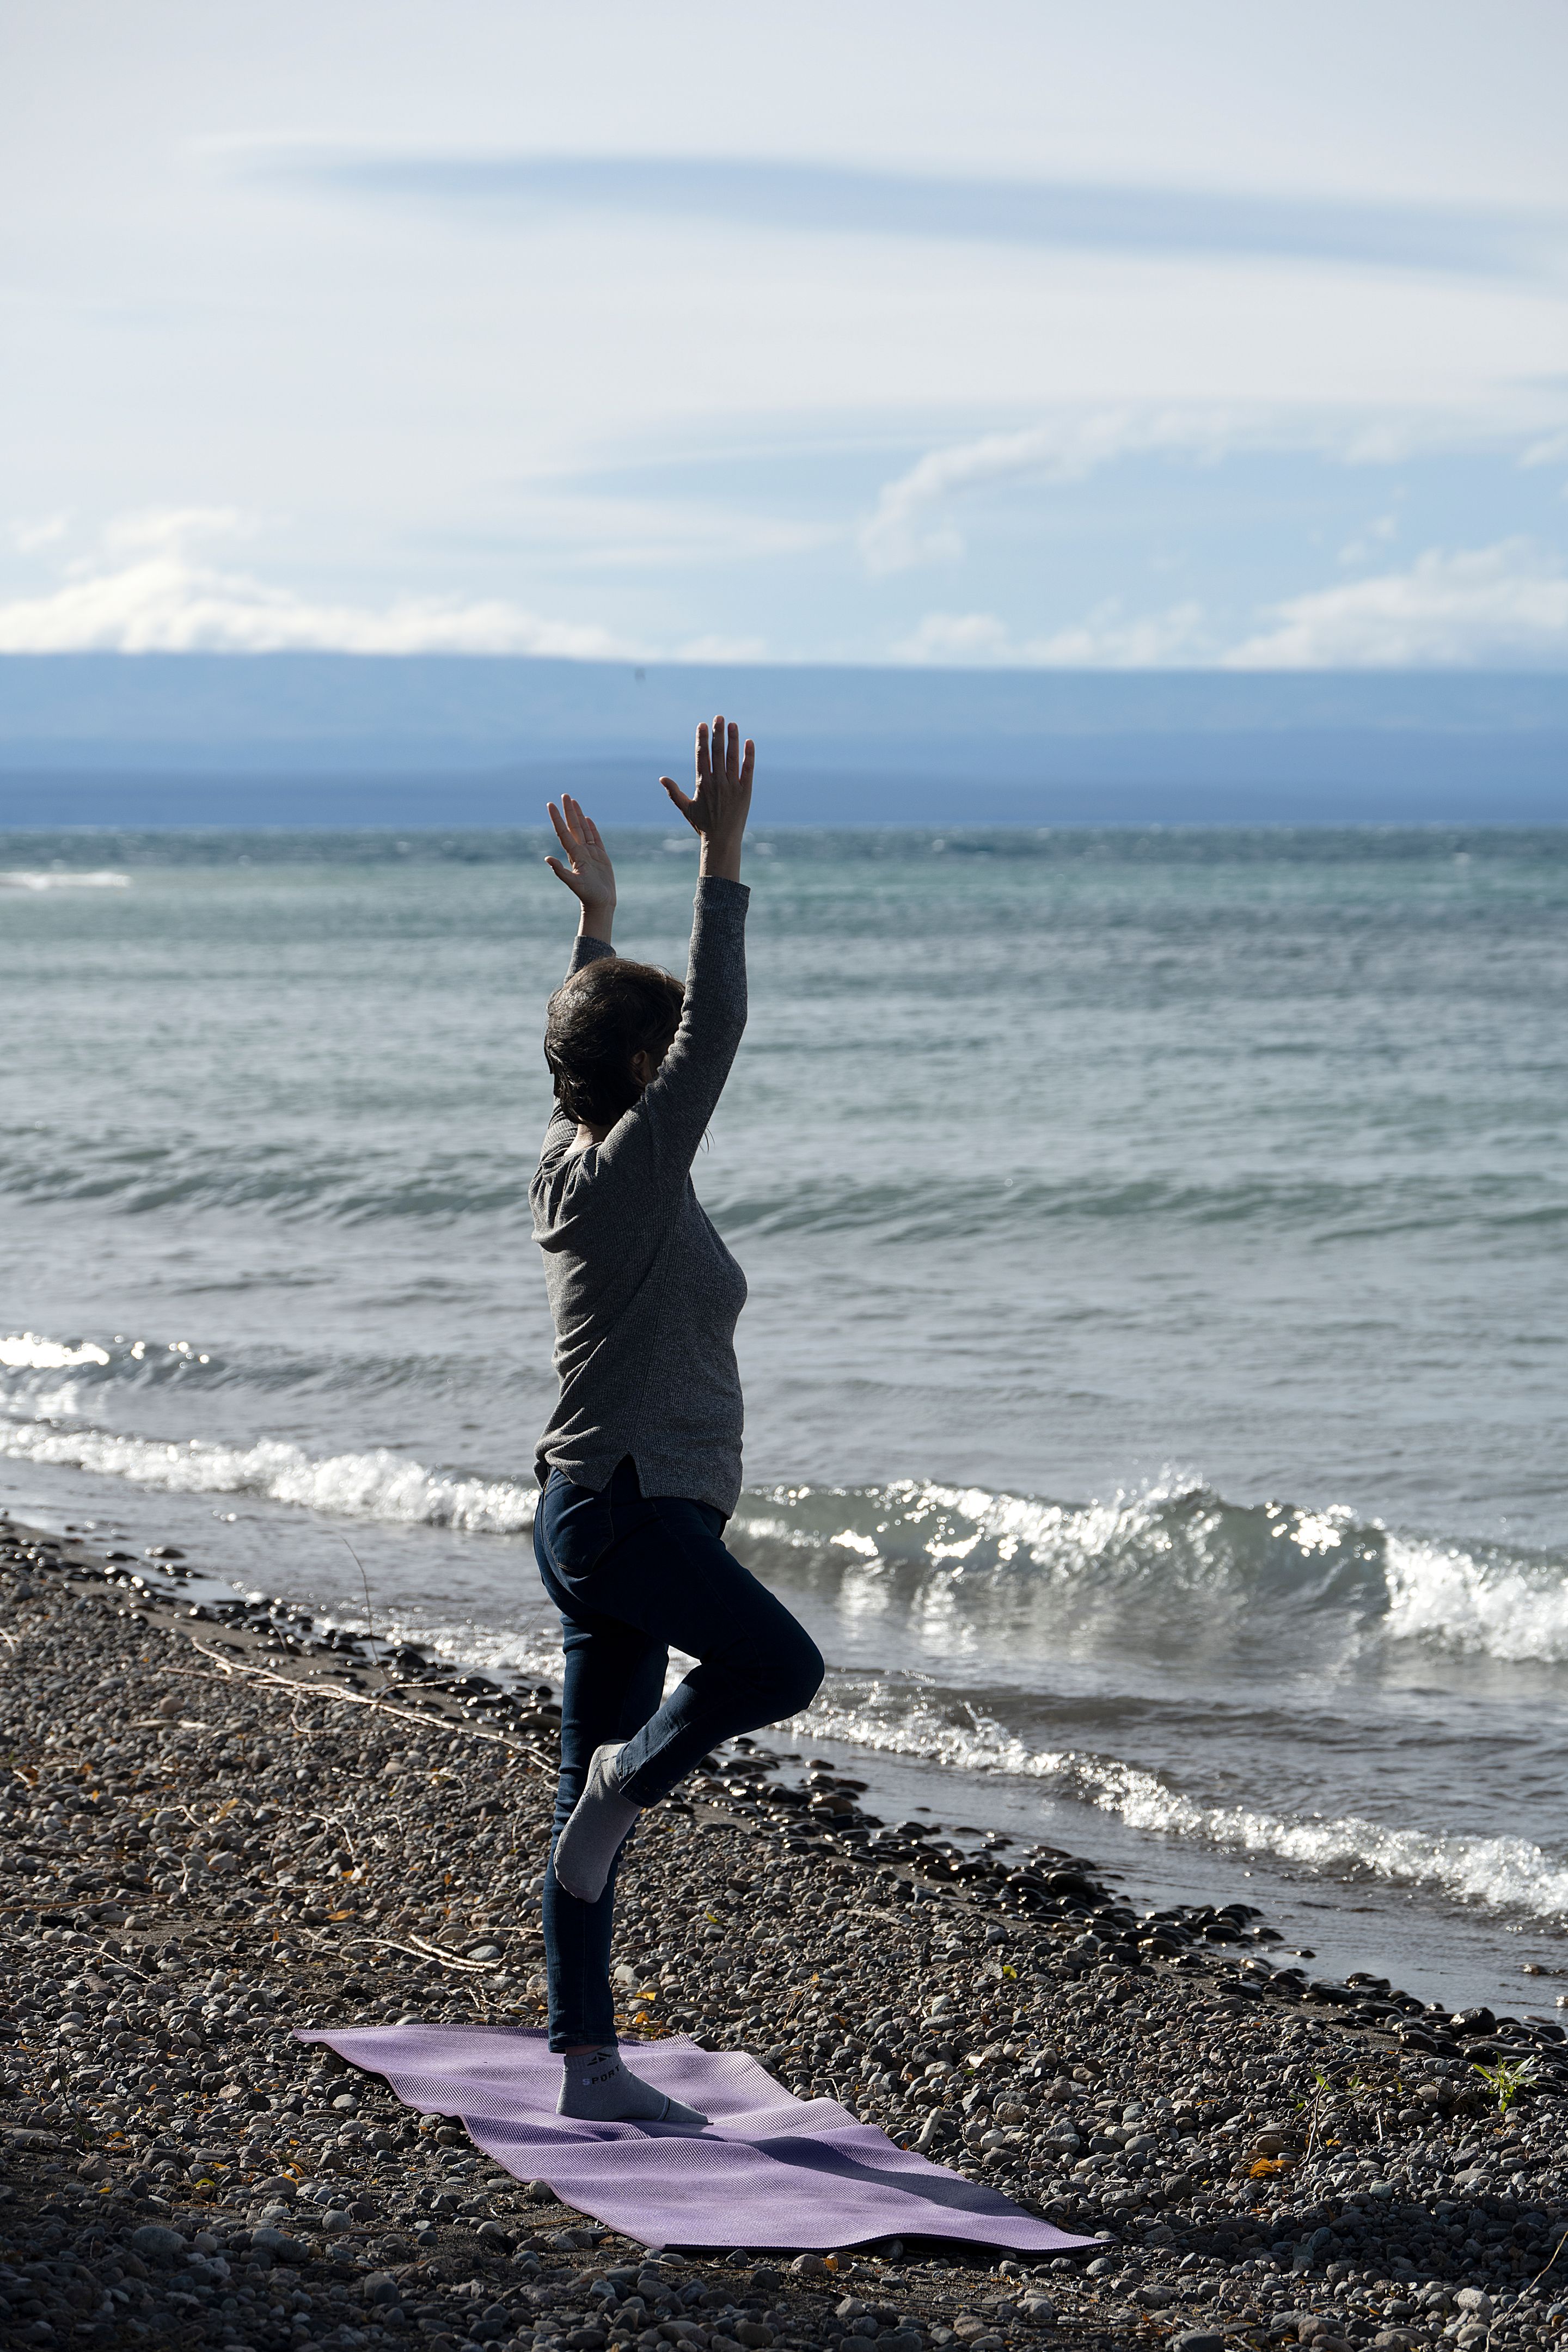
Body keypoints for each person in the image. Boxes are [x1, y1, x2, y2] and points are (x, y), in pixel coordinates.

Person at [530, 715, 824, 2127]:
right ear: (646, 1076)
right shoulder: (642, 1167)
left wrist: (596, 926)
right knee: (774, 1665)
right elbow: (718, 1024)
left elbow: (596, 1038)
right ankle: (628, 1768)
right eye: (662, 1058)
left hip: (591, 1514)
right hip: (632, 1510)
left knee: (595, 1823)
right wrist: (721, 860)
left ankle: (589, 2069)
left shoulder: (574, 1155)